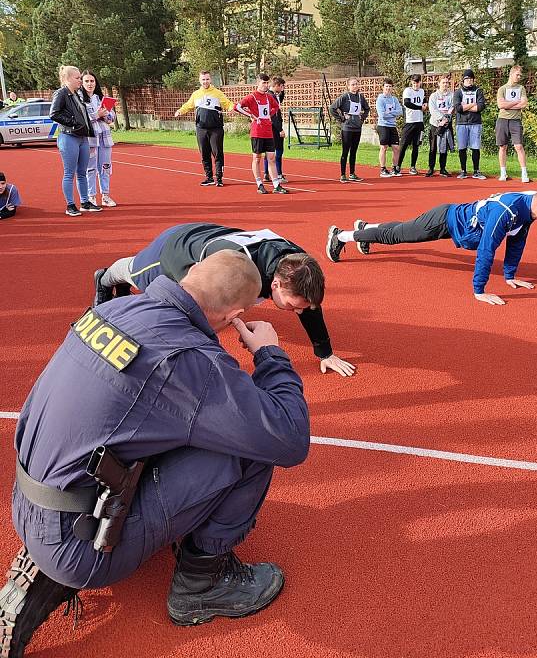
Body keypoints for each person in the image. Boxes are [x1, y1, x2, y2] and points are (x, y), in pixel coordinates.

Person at [0, 251, 310, 657]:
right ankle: (202, 586)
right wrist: (270, 353)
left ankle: (50, 553)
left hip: (30, 500)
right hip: (80, 540)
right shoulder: (190, 361)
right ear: (235, 314)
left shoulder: (118, 306)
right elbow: (288, 438)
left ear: (190, 276)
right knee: (249, 446)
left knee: (164, 420)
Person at [93, 222, 356, 377]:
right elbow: (200, 310)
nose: (298, 312)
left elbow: (308, 304)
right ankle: (104, 278)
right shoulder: (235, 272)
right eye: (292, 306)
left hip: (210, 238)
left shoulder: (298, 267)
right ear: (275, 284)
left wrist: (325, 352)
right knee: (137, 276)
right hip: (177, 249)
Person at [326, 184, 537, 305]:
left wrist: (510, 275)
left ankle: (366, 228)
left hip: (454, 224)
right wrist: (479, 290)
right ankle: (341, 236)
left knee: (403, 228)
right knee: (397, 235)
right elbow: (488, 249)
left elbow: (517, 241)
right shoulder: (507, 211)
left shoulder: (528, 209)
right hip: (445, 221)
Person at [49, 66, 102, 217]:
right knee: (69, 173)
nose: (80, 80)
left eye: (80, 77)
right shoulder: (61, 93)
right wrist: (72, 123)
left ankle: (85, 202)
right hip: (68, 137)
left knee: (82, 172)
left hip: (82, 137)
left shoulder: (76, 95)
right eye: (77, 78)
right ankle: (70, 205)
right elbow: (54, 113)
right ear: (67, 79)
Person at [175, 70, 234, 187]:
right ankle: (209, 178)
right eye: (203, 79)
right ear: (199, 80)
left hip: (215, 129)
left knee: (217, 153)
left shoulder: (217, 93)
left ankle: (219, 178)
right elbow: (188, 105)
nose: (205, 81)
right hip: (201, 128)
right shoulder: (196, 94)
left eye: (207, 79)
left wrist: (231, 108)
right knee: (204, 154)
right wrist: (180, 111)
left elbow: (228, 104)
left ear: (210, 80)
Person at [235, 73, 288, 194]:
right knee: (257, 158)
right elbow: (237, 107)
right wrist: (250, 115)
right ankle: (259, 184)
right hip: (257, 132)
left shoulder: (269, 97)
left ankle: (276, 185)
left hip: (268, 131)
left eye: (267, 83)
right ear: (258, 83)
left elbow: (276, 107)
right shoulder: (252, 96)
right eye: (263, 83)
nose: (266, 85)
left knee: (271, 158)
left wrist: (270, 114)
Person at [81, 70, 116, 207]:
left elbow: (111, 118)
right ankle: (91, 196)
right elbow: (81, 120)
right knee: (90, 168)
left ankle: (105, 195)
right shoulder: (79, 99)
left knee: (105, 166)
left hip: (105, 138)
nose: (90, 84)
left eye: (92, 81)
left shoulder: (101, 98)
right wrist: (96, 115)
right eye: (87, 81)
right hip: (90, 139)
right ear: (82, 83)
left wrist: (106, 115)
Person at [330, 77, 370, 183]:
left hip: (357, 128)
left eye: (356, 84)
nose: (355, 86)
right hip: (347, 128)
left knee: (354, 152)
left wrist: (362, 118)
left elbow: (367, 108)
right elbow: (332, 108)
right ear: (348, 86)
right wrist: (342, 118)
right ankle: (343, 174)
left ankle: (352, 173)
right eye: (352, 84)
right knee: (345, 151)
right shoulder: (344, 97)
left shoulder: (360, 97)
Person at [496, 65, 530, 183]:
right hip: (503, 120)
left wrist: (508, 104)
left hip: (516, 121)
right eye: (517, 75)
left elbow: (524, 104)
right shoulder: (502, 89)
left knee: (519, 146)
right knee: (502, 147)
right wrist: (516, 102)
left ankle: (524, 173)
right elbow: (501, 105)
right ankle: (503, 172)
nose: (519, 77)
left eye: (520, 75)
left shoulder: (521, 88)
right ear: (511, 74)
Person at [453, 69, 487, 180]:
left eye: (470, 79)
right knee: (462, 147)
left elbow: (480, 107)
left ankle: (476, 170)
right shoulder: (458, 92)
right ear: (463, 80)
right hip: (461, 123)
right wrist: (473, 104)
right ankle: (463, 170)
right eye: (466, 79)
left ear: (473, 80)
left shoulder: (478, 91)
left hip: (475, 122)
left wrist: (466, 106)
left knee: (475, 147)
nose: (469, 81)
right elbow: (458, 108)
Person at [399, 74, 428, 175]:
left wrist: (425, 104)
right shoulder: (408, 91)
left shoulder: (422, 91)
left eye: (417, 82)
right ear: (411, 82)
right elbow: (407, 103)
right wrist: (420, 107)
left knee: (416, 145)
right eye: (414, 82)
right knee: (404, 144)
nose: (416, 84)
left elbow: (423, 100)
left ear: (420, 82)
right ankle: (398, 166)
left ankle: (412, 166)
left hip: (419, 122)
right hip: (409, 121)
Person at [427, 75, 454, 177]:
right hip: (435, 124)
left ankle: (443, 168)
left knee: (444, 147)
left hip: (446, 124)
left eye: (447, 83)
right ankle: (431, 168)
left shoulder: (451, 95)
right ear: (439, 84)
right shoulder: (433, 96)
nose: (445, 84)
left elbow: (452, 107)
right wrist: (441, 119)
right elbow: (432, 109)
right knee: (433, 147)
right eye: (443, 82)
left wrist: (446, 118)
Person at [374, 78, 402, 177]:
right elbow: (382, 115)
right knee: (384, 147)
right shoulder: (380, 99)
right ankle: (383, 169)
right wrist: (393, 114)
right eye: (386, 86)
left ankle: (394, 168)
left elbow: (400, 111)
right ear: (383, 87)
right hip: (383, 125)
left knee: (396, 148)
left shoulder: (394, 99)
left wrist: (390, 113)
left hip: (392, 126)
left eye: (390, 86)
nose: (388, 88)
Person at [263, 76, 286, 184]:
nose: (283, 89)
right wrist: (280, 129)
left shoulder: (270, 95)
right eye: (282, 86)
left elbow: (281, 98)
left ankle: (267, 173)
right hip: (274, 127)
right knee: (278, 150)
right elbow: (274, 116)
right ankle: (278, 174)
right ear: (276, 86)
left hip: (268, 127)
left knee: (269, 151)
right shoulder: (271, 97)